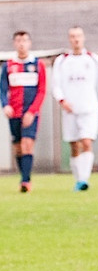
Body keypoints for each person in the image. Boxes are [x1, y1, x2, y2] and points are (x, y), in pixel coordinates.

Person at [51, 26, 98, 191]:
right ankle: (78, 179)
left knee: (86, 140)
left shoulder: (93, 59)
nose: (76, 39)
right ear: (69, 39)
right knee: (74, 145)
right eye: (72, 36)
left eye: (78, 36)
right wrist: (62, 100)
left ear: (83, 38)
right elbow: (56, 85)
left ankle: (84, 179)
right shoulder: (62, 61)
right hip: (70, 109)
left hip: (89, 107)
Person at [1, 31, 47, 192]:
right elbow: (2, 89)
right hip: (14, 113)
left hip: (30, 113)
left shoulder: (38, 64)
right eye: (19, 41)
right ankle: (24, 176)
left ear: (30, 43)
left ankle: (25, 181)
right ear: (15, 43)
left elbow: (42, 90)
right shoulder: (8, 65)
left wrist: (32, 111)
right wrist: (5, 105)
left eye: (25, 40)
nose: (22, 44)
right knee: (18, 147)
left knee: (28, 144)